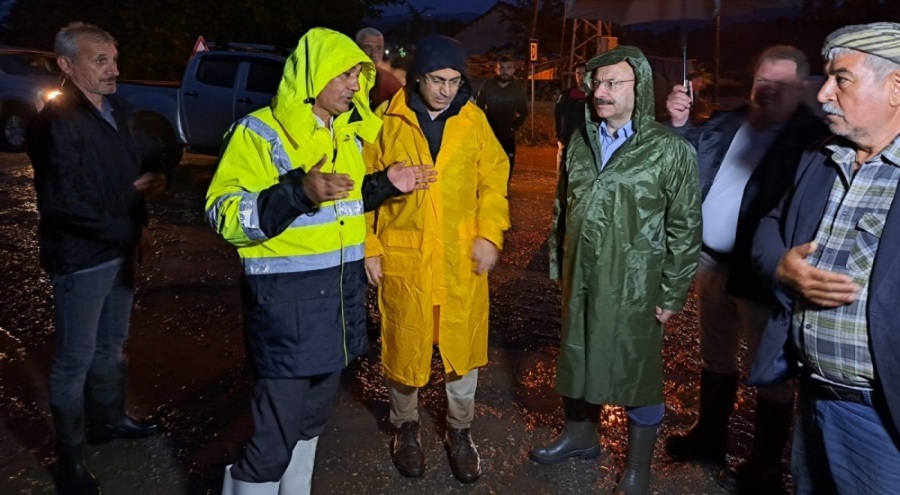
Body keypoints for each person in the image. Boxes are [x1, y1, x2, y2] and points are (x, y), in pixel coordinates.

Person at [205, 27, 434, 494]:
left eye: (358, 74)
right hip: (286, 313)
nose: (355, 85)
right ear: (312, 77)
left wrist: (386, 185)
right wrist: (298, 192)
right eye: (344, 74)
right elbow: (223, 215)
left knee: (310, 425)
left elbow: (340, 209)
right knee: (272, 441)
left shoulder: (344, 136)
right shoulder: (260, 133)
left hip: (336, 311)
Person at [530, 45, 701, 495]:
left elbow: (685, 228)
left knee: (636, 370)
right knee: (576, 354)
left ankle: (637, 467)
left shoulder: (669, 150)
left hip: (635, 285)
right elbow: (562, 209)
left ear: (638, 88)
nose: (600, 92)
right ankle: (581, 436)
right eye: (596, 83)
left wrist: (672, 292)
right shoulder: (581, 144)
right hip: (580, 276)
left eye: (612, 84)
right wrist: (558, 267)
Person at [662, 45, 829, 493]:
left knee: (771, 369)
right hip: (713, 263)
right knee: (716, 355)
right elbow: (682, 165)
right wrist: (678, 126)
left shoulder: (815, 140)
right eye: (763, 82)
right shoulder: (725, 122)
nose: (770, 91)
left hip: (764, 276)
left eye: (782, 84)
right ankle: (709, 437)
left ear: (801, 88)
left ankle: (765, 465)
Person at [751, 22, 900, 495]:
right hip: (813, 396)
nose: (824, 95)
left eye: (842, 79)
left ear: (897, 87)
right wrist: (782, 266)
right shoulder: (820, 157)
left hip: (882, 418)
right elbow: (767, 228)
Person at [362, 35, 510, 484]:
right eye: (438, 80)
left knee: (460, 353)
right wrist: (369, 247)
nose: (447, 90)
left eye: (454, 80)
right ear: (418, 78)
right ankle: (405, 429)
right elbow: (361, 190)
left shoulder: (473, 122)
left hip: (458, 262)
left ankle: (460, 432)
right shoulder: (386, 123)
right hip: (406, 260)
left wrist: (489, 233)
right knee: (406, 347)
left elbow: (494, 180)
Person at [26, 22, 164, 495]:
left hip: (119, 250)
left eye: (114, 58)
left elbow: (134, 167)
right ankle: (70, 461)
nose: (114, 69)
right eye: (100, 60)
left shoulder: (117, 109)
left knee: (112, 345)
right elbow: (62, 203)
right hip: (81, 258)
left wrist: (151, 182)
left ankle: (108, 422)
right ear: (67, 65)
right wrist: (127, 229)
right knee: (74, 360)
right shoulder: (54, 122)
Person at [475, 55, 528, 183]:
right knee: (486, 170)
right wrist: (482, 127)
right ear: (496, 69)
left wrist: (513, 127)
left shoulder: (517, 88)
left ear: (513, 70)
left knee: (506, 168)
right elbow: (477, 110)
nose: (505, 71)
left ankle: (504, 193)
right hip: (488, 136)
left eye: (508, 68)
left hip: (508, 137)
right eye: (501, 68)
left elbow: (524, 112)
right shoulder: (487, 86)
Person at [356, 27, 403, 109]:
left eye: (378, 48)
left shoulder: (387, 82)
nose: (373, 53)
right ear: (357, 48)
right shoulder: (345, 75)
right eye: (367, 47)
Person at [554, 63, 586, 174]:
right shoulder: (566, 95)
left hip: (587, 145)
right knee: (562, 178)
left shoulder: (595, 96)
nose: (581, 77)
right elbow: (557, 117)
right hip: (566, 142)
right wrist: (559, 138)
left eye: (584, 73)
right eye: (578, 74)